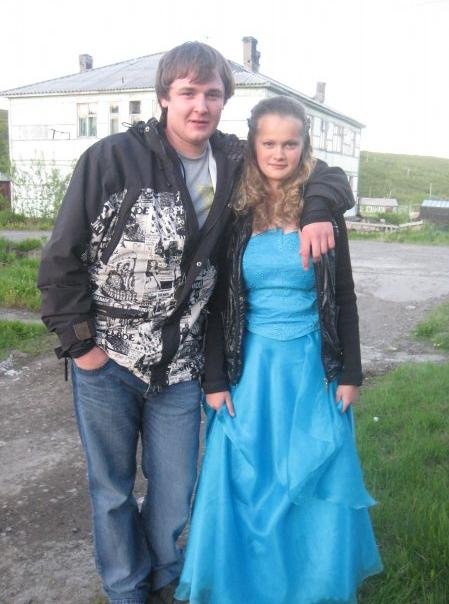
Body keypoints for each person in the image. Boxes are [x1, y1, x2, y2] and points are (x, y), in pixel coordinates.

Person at [38, 42, 356, 604]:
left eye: (212, 94)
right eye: (188, 93)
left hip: (182, 366)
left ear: (224, 101)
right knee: (112, 488)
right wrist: (81, 345)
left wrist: (316, 209)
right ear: (164, 96)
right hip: (108, 358)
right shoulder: (112, 158)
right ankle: (126, 587)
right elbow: (61, 258)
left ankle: (164, 574)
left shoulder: (232, 162)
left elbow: (319, 169)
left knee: (175, 486)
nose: (200, 105)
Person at [175, 96, 383, 604]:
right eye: (268, 142)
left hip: (311, 366)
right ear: (253, 143)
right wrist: (215, 380)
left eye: (290, 143)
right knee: (248, 478)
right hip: (253, 367)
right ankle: (247, 581)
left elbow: (344, 297)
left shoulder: (322, 208)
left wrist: (350, 373)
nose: (279, 153)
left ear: (303, 146)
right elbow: (219, 304)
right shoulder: (235, 211)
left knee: (311, 472)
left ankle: (312, 581)